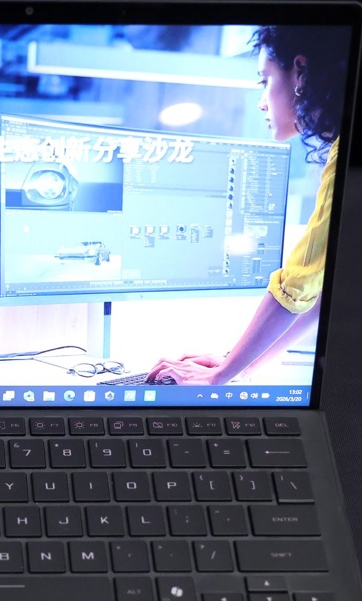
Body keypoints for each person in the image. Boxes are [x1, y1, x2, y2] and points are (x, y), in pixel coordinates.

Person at [146, 25, 350, 385]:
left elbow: (297, 286)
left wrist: (218, 377)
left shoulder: (343, 158)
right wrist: (240, 367)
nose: (261, 102)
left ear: (301, 73)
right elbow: (321, 293)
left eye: (265, 80)